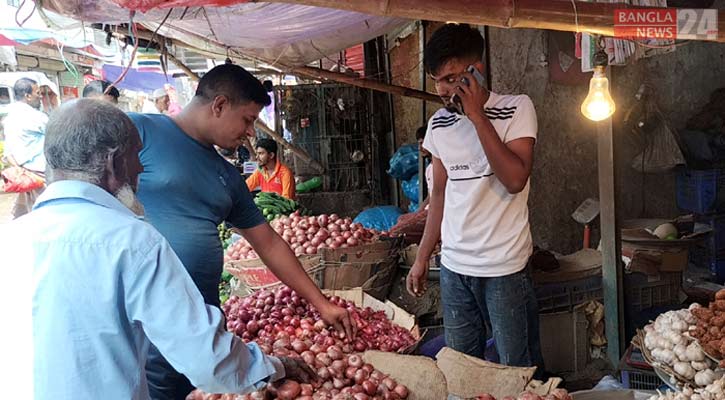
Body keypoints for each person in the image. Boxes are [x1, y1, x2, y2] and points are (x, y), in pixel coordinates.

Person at [0, 99, 316, 400]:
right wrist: (273, 367)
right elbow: (207, 359)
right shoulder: (133, 243)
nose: (140, 168)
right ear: (114, 162)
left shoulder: (9, 239)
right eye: (137, 155)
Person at [129, 64, 351, 400]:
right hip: (140, 333)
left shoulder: (227, 176)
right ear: (218, 105)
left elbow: (269, 243)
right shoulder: (139, 132)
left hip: (198, 335)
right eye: (247, 120)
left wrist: (320, 302)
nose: (250, 133)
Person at [406, 23, 544, 374]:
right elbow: (438, 196)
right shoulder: (438, 125)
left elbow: (514, 179)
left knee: (516, 370)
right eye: (438, 79)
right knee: (464, 369)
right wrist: (423, 258)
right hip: (454, 269)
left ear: (476, 71)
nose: (444, 89)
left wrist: (477, 116)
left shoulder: (516, 109)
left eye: (453, 77)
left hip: (505, 269)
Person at [2, 77, 47, 218]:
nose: (40, 97)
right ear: (27, 96)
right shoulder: (36, 117)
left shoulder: (9, 118)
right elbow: (58, 137)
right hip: (40, 176)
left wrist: (21, 170)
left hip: (24, 176)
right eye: (37, 93)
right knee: (46, 214)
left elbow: (8, 153)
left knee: (25, 216)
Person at [415, 125, 433, 210]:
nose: (419, 148)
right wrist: (416, 214)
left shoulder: (444, 167)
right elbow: (430, 196)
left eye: (422, 143)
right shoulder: (429, 169)